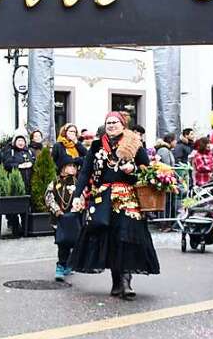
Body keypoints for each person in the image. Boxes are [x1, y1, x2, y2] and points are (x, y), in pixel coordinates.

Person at [70, 112, 160, 298]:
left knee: (125, 237)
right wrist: (78, 195)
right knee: (108, 238)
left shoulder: (134, 143)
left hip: (127, 198)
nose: (111, 125)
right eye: (108, 122)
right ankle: (116, 281)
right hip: (102, 198)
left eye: (115, 122)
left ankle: (126, 282)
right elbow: (85, 172)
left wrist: (132, 169)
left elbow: (146, 170)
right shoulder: (96, 146)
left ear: (123, 124)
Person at [46, 161, 80, 281]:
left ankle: (69, 262)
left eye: (74, 166)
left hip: (73, 218)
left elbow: (83, 197)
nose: (72, 169)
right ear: (62, 168)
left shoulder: (78, 183)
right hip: (59, 219)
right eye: (69, 166)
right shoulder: (55, 182)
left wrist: (77, 208)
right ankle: (60, 266)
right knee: (62, 243)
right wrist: (56, 210)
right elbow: (49, 197)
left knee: (73, 242)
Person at [4, 130, 35, 236]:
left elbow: (35, 162)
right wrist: (19, 166)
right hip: (15, 183)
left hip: (28, 182)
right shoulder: (11, 151)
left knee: (26, 207)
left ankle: (25, 228)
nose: (21, 143)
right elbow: (7, 164)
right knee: (14, 207)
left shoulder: (29, 152)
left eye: (22, 140)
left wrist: (31, 164)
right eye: (19, 140)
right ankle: (15, 228)